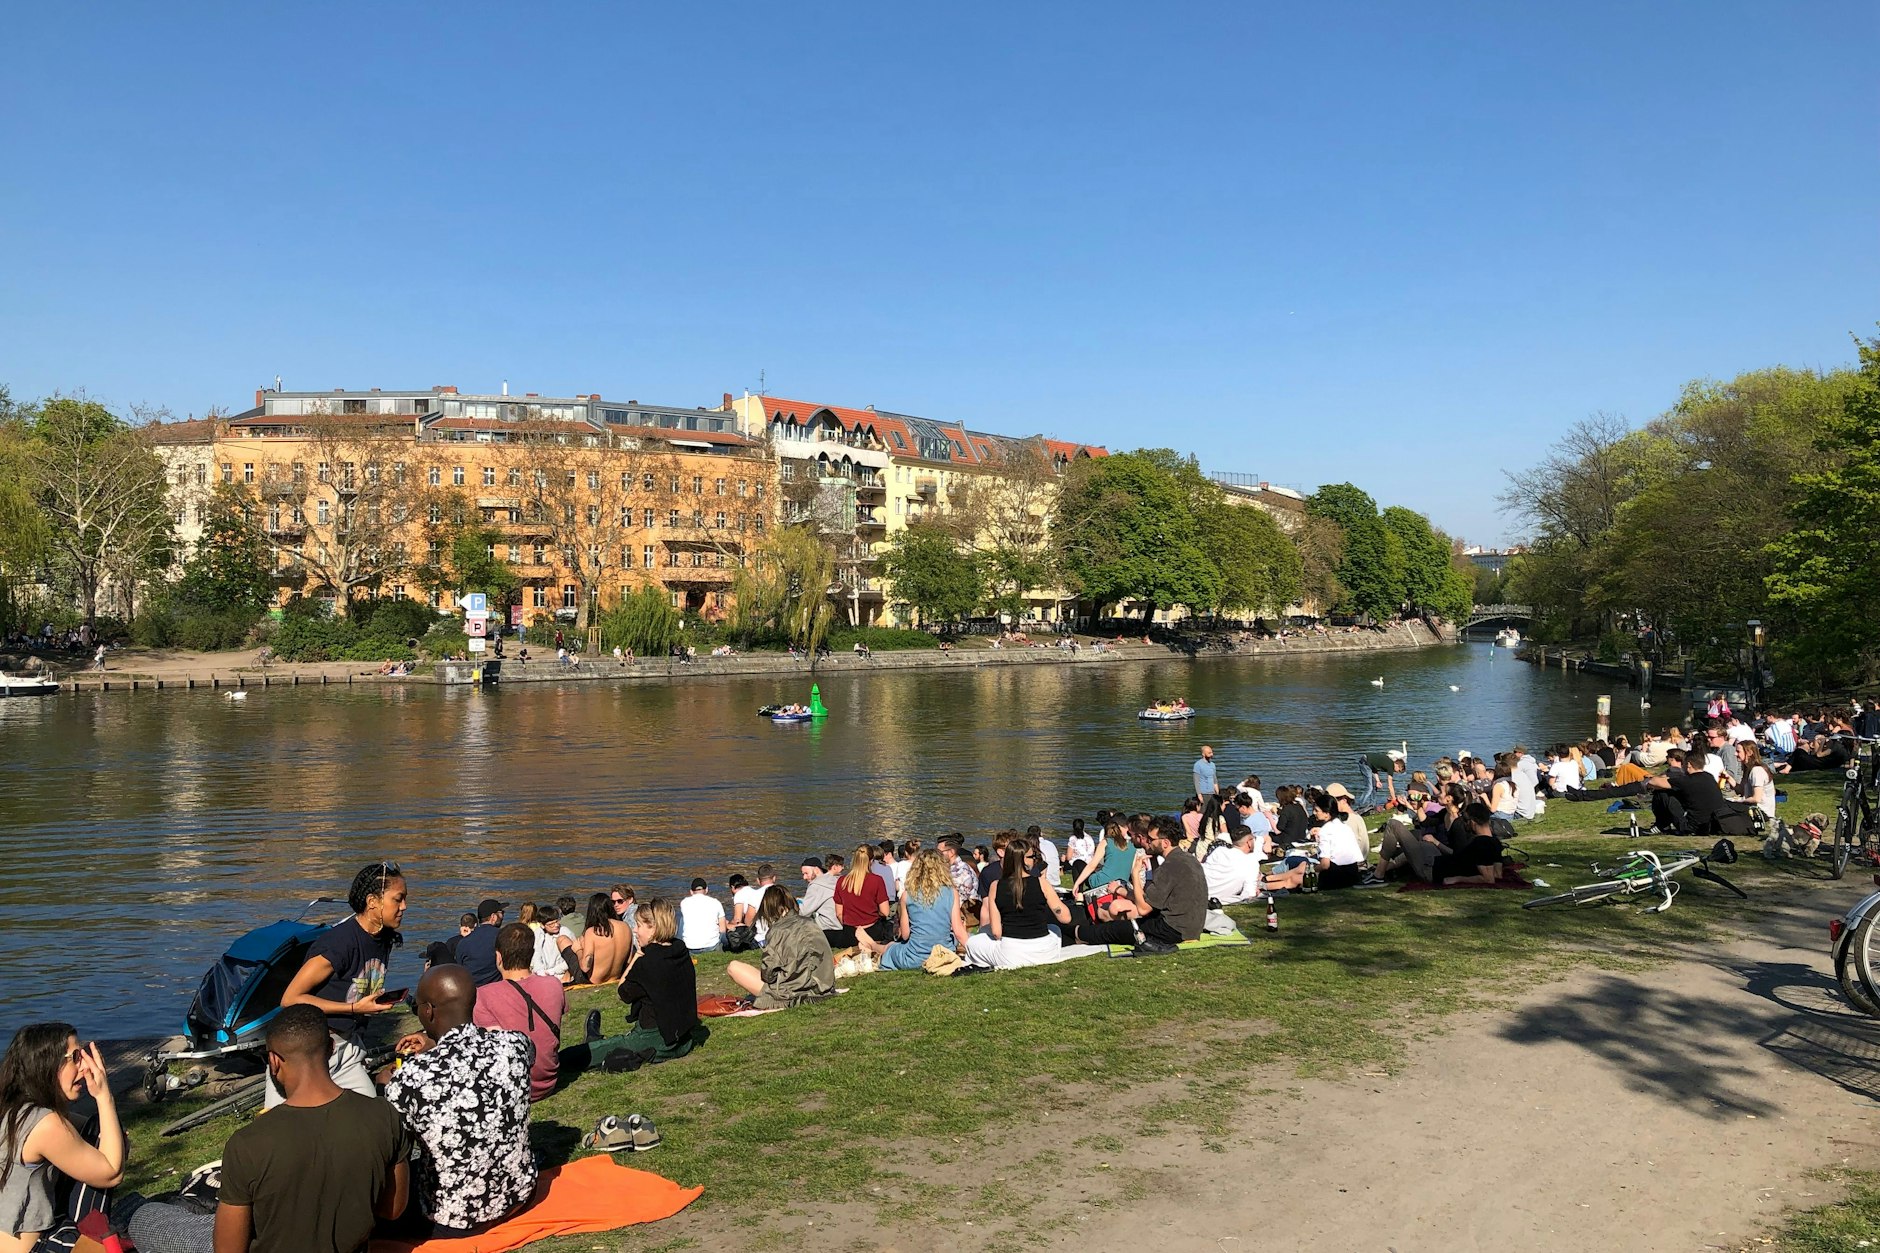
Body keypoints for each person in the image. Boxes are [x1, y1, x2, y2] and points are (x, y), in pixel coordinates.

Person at [123, 1005, 412, 1253]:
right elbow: (393, 1209)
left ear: (274, 1061)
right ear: (332, 1049)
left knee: (145, 1216)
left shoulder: (249, 1142)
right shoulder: (384, 1115)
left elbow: (228, 1250)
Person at [382, 966, 536, 1238]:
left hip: (455, 1219)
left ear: (428, 1011)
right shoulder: (515, 1045)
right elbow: (483, 1050)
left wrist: (385, 1084)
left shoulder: (409, 1080)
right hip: (519, 1195)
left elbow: (395, 1143)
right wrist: (436, 1044)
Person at [272, 863, 410, 1109]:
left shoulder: (384, 938)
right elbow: (290, 998)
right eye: (398, 900)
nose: (404, 907)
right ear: (372, 902)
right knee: (286, 1127)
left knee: (367, 1117)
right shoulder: (339, 943)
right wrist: (355, 1008)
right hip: (308, 1049)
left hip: (348, 1048)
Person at [0, 1026, 123, 1253]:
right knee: (105, 1135)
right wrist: (104, 1096)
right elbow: (112, 1173)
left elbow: (81, 1129)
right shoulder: (45, 1124)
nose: (85, 1066)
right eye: (75, 1057)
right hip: (34, 1249)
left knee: (100, 1131)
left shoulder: (13, 1110)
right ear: (46, 1065)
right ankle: (92, 1232)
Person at [473, 924, 568, 1101]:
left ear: (498, 956)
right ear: (531, 954)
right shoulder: (554, 985)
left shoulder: (483, 995)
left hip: (511, 1089)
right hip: (548, 1082)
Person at [614, 899, 709, 1061]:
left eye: (638, 925)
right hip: (683, 1037)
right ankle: (593, 1035)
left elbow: (622, 992)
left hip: (658, 1038)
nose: (635, 931)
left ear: (653, 928)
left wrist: (637, 956)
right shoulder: (679, 949)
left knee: (589, 1053)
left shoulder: (648, 961)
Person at [967, 839, 1072, 969]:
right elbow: (1066, 918)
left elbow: (997, 932)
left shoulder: (996, 886)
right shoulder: (1042, 883)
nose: (1035, 859)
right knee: (1054, 929)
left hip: (1012, 953)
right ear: (1022, 860)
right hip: (1045, 951)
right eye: (1032, 856)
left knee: (973, 942)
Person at [727, 886, 837, 1005]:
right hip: (822, 988)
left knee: (734, 967)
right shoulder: (812, 923)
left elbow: (768, 975)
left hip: (791, 994)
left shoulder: (777, 931)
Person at [879, 850, 971, 970]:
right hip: (943, 953)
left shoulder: (906, 895)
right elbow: (958, 931)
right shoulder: (951, 892)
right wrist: (977, 953)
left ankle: (871, 945)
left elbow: (905, 935)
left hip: (914, 957)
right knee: (954, 938)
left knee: (891, 947)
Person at [1263, 793, 1366, 892]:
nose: (1314, 813)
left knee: (1296, 878)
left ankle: (1264, 886)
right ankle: (1269, 878)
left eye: (1317, 810)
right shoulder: (1344, 826)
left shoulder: (1326, 831)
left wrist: (1311, 870)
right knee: (1303, 865)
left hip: (1336, 876)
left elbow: (1325, 865)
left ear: (1326, 813)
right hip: (1352, 872)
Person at [831, 844, 894, 951]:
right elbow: (885, 912)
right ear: (871, 861)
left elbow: (839, 914)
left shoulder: (842, 881)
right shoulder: (877, 880)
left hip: (850, 934)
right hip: (873, 932)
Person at [1433, 802, 1507, 885]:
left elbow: (1488, 879)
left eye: (1465, 819)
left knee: (1418, 844)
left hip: (1433, 869)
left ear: (1472, 822)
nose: (1464, 823)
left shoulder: (1481, 843)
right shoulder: (1495, 841)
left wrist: (1457, 879)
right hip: (1439, 864)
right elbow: (1497, 875)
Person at [570, 892, 630, 985]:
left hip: (593, 980)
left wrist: (578, 950)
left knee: (563, 940)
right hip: (616, 976)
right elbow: (628, 960)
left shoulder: (592, 932)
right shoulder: (625, 926)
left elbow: (585, 967)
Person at [1202, 827, 1263, 905]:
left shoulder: (1219, 851)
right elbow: (1249, 893)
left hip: (1196, 886)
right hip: (1215, 896)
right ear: (1249, 842)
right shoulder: (1251, 862)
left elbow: (1207, 868)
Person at [454, 898, 506, 987]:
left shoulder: (464, 942)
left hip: (471, 992)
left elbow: (459, 968)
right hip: (496, 990)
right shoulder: (504, 937)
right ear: (493, 917)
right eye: (501, 913)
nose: (503, 916)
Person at [797, 857, 845, 949]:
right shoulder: (835, 879)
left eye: (806, 873)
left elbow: (803, 912)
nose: (804, 877)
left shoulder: (816, 885)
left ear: (816, 869)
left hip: (828, 929)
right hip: (842, 927)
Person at [677, 878, 728, 954]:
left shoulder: (684, 902)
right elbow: (723, 930)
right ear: (706, 889)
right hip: (711, 946)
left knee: (682, 919)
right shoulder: (716, 902)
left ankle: (679, 945)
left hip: (690, 947)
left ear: (691, 892)